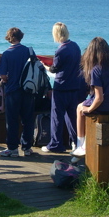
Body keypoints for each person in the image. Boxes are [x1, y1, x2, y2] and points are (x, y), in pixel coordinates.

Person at [72, 37, 109, 159]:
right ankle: (82, 145)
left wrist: (88, 110)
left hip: (103, 107)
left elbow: (99, 98)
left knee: (79, 108)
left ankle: (81, 145)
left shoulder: (96, 69)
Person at [41, 22, 81, 153]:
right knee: (72, 117)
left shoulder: (60, 50)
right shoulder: (75, 46)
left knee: (57, 117)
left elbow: (54, 69)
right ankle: (76, 142)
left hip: (61, 87)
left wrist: (45, 66)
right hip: (74, 86)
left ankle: (56, 144)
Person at [0, 27, 35, 157]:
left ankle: (12, 148)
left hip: (13, 90)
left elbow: (3, 75)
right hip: (28, 90)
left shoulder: (7, 54)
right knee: (27, 119)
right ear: (21, 36)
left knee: (12, 120)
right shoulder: (29, 51)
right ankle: (27, 147)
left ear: (9, 38)